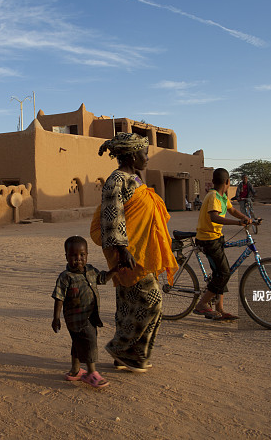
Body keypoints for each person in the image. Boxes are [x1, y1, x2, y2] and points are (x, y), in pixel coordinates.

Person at [90, 133, 177, 373]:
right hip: (129, 254)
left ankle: (131, 355)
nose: (147, 158)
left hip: (140, 251)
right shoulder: (117, 179)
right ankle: (122, 348)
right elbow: (111, 215)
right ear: (130, 155)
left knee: (127, 306)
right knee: (152, 302)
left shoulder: (135, 179)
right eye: (144, 153)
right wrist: (122, 249)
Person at [52, 236, 119, 388]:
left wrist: (114, 270)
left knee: (78, 342)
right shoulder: (65, 277)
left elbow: (102, 278)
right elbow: (58, 297)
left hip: (91, 315)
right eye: (73, 256)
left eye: (82, 255)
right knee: (90, 341)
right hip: (75, 318)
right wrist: (56, 317)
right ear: (66, 256)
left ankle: (75, 370)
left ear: (87, 254)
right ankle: (91, 373)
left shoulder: (90, 270)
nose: (78, 259)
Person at [192, 168, 251, 320]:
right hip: (208, 240)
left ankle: (219, 308)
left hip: (216, 238)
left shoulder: (222, 196)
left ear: (214, 181)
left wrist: (246, 218)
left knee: (223, 272)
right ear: (227, 182)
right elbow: (214, 217)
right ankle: (202, 304)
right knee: (223, 273)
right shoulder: (213, 197)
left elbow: (232, 210)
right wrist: (238, 223)